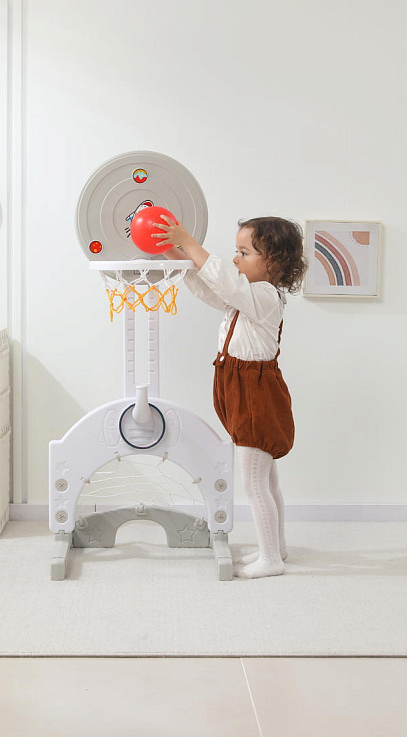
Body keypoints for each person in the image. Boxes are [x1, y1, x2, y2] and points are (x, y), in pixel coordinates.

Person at [153, 215, 308, 578]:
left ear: (273, 262)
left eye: (244, 252)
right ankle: (277, 548)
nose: (236, 259)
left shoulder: (265, 295)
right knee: (267, 480)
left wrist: (189, 242)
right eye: (235, 252)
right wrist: (174, 252)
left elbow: (224, 280)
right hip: (241, 387)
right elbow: (209, 287)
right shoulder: (244, 298)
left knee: (254, 483)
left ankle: (270, 559)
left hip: (254, 394)